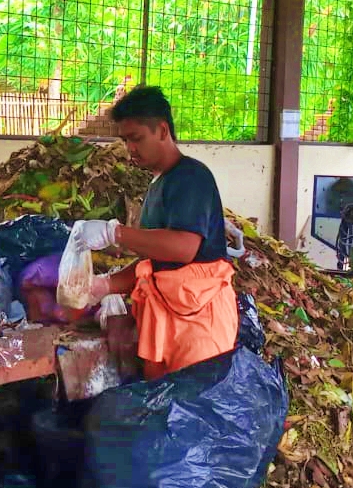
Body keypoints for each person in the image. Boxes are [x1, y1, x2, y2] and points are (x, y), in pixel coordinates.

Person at [74, 86, 237, 378]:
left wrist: (115, 233)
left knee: (192, 401)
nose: (130, 148)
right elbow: (155, 261)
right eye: (125, 140)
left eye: (136, 138)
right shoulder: (157, 185)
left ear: (162, 130)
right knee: (162, 401)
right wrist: (106, 285)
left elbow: (183, 248)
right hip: (167, 321)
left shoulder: (191, 177)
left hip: (198, 324)